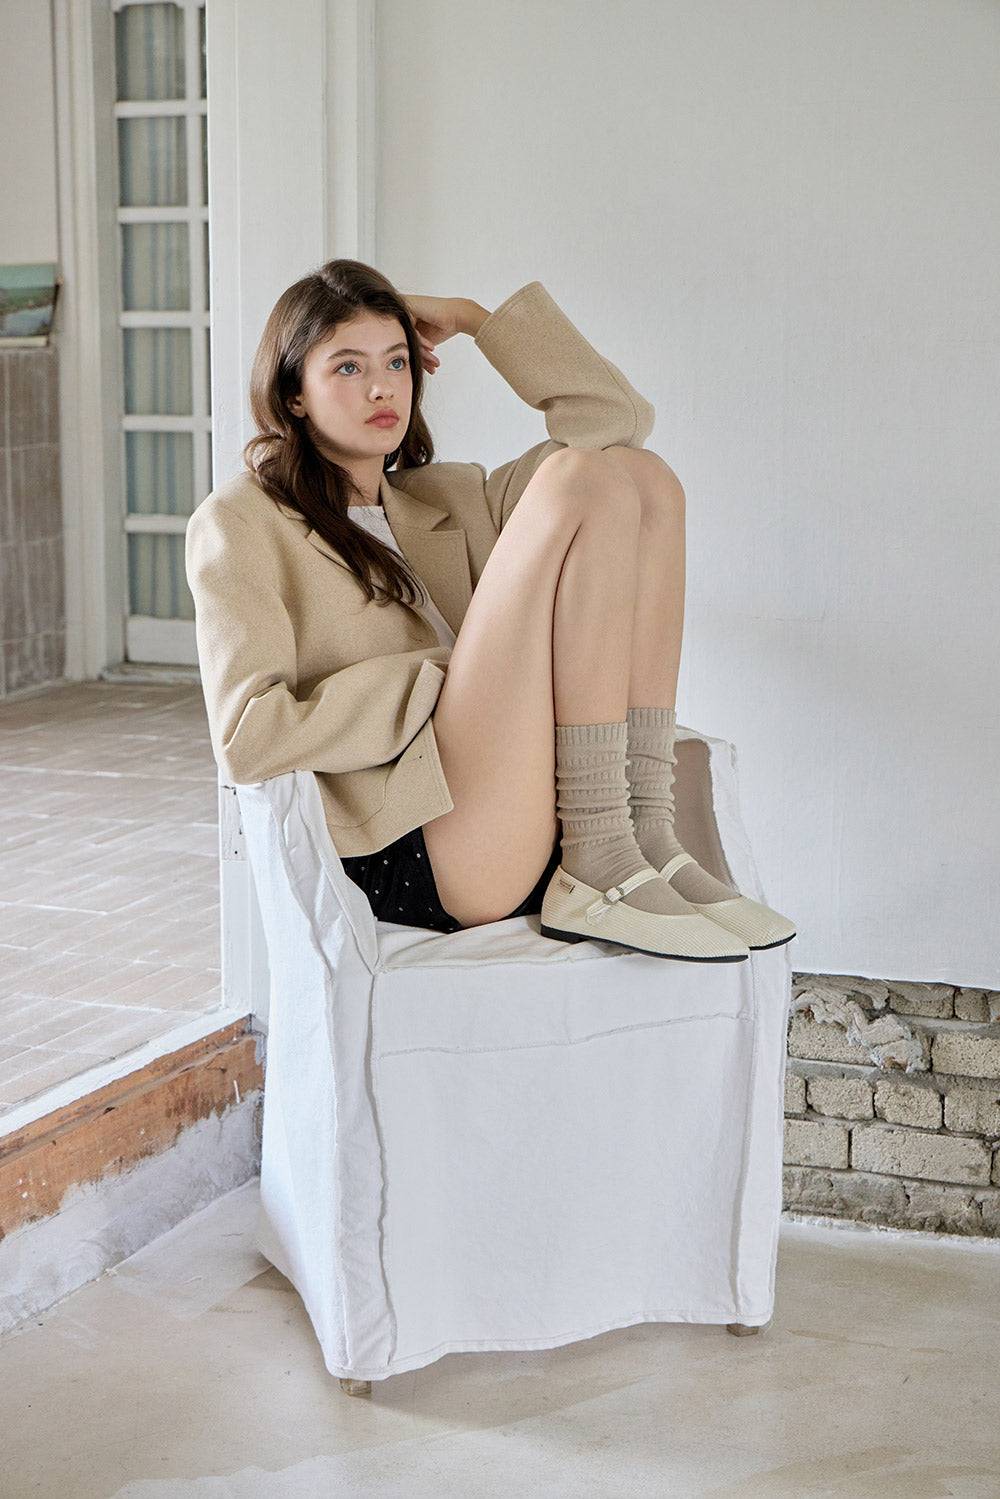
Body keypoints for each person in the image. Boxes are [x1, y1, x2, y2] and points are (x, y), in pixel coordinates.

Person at [185, 260, 795, 960]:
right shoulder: (242, 522)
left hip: (524, 810)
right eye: (348, 368)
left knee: (644, 479)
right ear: (293, 394)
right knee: (575, 478)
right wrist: (440, 681)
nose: (383, 386)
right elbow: (249, 736)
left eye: (397, 361)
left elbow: (616, 421)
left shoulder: (449, 499)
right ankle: (600, 856)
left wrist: (477, 318)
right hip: (418, 842)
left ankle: (641, 835)